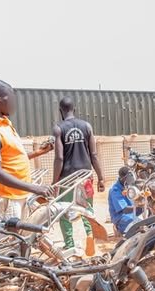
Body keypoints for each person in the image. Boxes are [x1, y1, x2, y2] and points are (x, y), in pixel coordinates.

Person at [0, 80, 54, 223]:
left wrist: (39, 152)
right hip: (4, 198)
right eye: (10, 99)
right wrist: (34, 188)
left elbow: (13, 158)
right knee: (4, 243)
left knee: (19, 241)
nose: (14, 104)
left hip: (15, 195)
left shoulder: (5, 123)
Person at [53, 97, 105, 256]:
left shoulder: (58, 128)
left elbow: (59, 158)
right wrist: (101, 177)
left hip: (67, 178)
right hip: (85, 176)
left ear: (61, 110)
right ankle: (90, 236)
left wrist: (55, 182)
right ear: (74, 109)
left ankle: (70, 244)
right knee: (86, 209)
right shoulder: (87, 126)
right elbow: (94, 154)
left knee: (63, 211)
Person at [108, 167, 139, 235]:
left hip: (132, 213)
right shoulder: (115, 190)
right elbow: (124, 209)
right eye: (129, 177)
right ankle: (117, 228)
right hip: (121, 217)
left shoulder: (128, 186)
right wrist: (139, 207)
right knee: (138, 227)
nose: (131, 178)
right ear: (123, 178)